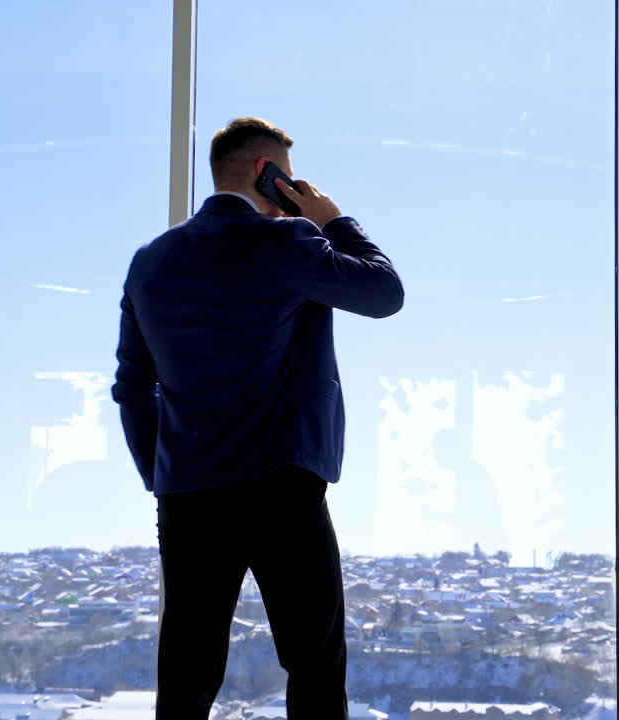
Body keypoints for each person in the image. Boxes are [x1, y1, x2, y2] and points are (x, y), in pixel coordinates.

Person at [111, 117, 404, 720]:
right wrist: (333, 221)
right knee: (314, 663)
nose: (295, 192)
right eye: (287, 179)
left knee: (186, 675)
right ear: (261, 173)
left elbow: (131, 387)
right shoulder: (290, 242)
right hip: (282, 488)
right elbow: (384, 292)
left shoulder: (150, 262)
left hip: (188, 492)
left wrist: (159, 474)